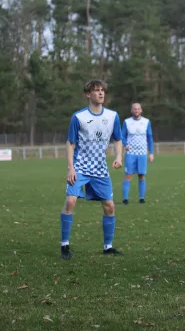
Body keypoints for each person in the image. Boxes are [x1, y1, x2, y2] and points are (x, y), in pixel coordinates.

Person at [60, 80, 123, 259]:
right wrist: (70, 168)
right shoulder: (78, 117)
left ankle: (108, 246)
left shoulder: (112, 116)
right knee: (71, 201)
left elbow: (118, 139)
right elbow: (70, 143)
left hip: (100, 168)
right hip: (79, 167)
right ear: (88, 94)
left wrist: (118, 157)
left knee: (110, 206)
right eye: (96, 91)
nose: (101, 93)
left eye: (102, 90)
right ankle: (65, 245)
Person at [122, 103, 154, 204]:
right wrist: (125, 144)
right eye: (134, 109)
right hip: (130, 153)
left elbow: (149, 137)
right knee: (128, 175)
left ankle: (141, 198)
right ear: (131, 111)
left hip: (142, 153)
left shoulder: (146, 122)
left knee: (141, 175)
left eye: (138, 109)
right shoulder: (126, 122)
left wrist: (151, 152)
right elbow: (122, 136)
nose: (136, 111)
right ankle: (125, 199)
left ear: (141, 110)